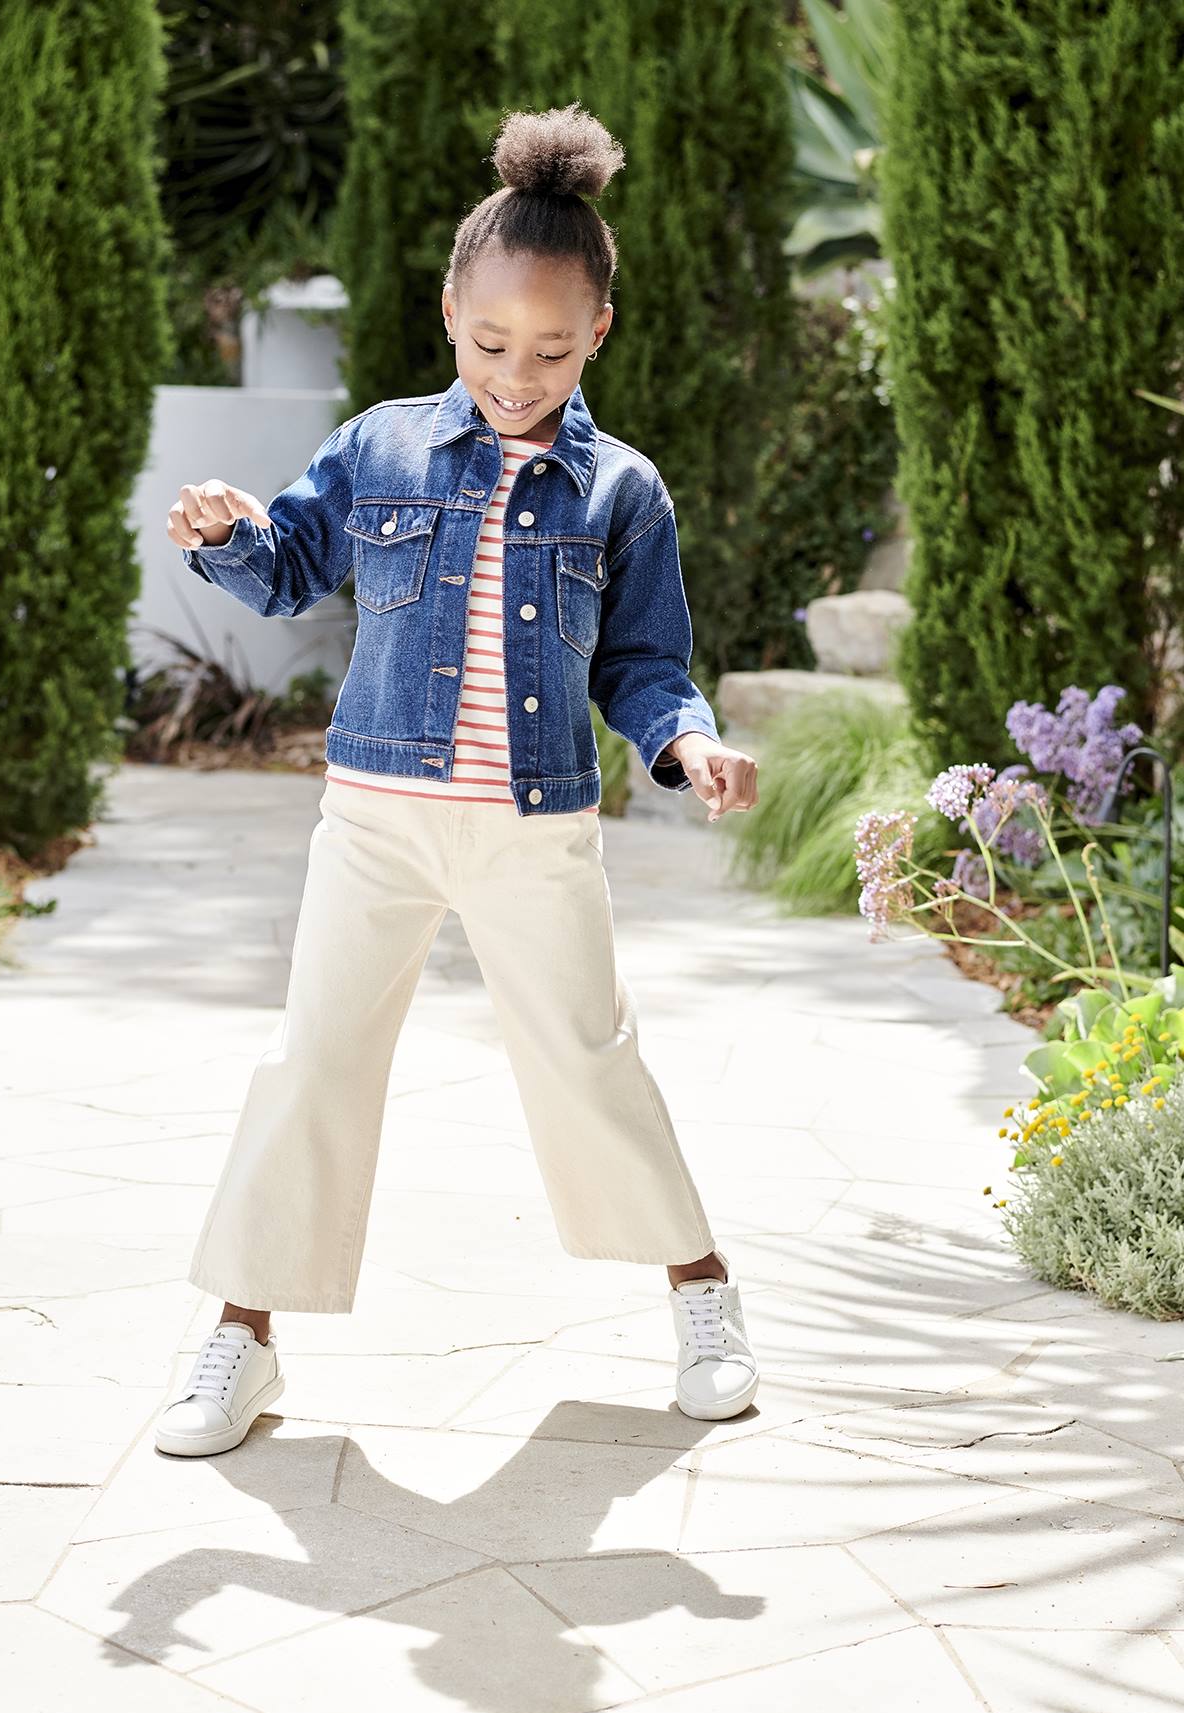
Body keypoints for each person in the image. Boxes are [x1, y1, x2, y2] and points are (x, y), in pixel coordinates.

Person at [154, 103, 762, 1459]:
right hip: (375, 818)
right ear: (448, 314)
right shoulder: (377, 448)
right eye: (492, 342)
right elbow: (292, 557)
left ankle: (705, 1299)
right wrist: (227, 530)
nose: (518, 372)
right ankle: (240, 1340)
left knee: (590, 1063)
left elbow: (648, 665)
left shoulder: (625, 492)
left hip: (534, 826)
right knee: (312, 1059)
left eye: (552, 347)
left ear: (599, 330)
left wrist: (688, 746)